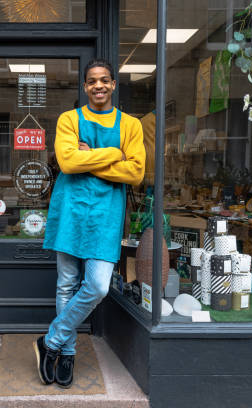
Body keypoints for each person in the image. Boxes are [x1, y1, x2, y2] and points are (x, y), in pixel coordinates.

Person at [34, 59, 146, 388]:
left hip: (107, 215)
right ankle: (66, 352)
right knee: (66, 284)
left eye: (104, 81)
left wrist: (92, 156)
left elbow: (136, 172)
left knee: (97, 285)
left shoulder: (131, 125)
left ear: (113, 85)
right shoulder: (69, 119)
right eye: (92, 81)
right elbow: (68, 162)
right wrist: (115, 154)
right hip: (70, 209)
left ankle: (50, 341)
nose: (98, 86)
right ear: (85, 87)